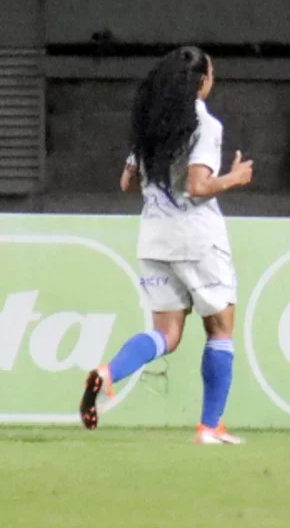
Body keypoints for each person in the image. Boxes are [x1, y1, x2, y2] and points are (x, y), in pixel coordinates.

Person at [80, 46, 254, 445]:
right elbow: (197, 185)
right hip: (197, 239)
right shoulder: (203, 125)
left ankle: (107, 373)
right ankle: (210, 427)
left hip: (155, 240)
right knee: (221, 330)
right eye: (210, 74)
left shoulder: (150, 124)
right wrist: (234, 178)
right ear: (200, 81)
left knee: (166, 334)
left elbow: (127, 182)